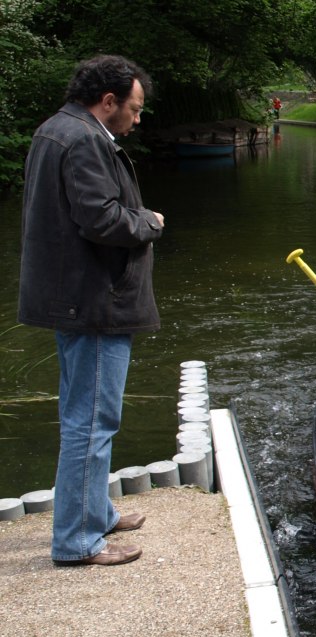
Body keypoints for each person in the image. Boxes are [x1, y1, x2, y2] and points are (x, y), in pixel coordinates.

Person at [19, 55, 164, 567]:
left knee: (83, 413)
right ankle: (78, 540)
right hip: (95, 301)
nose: (137, 119)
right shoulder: (83, 139)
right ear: (108, 101)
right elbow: (101, 219)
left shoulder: (57, 130)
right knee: (92, 420)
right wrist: (148, 221)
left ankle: (95, 513)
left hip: (75, 297)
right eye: (135, 108)